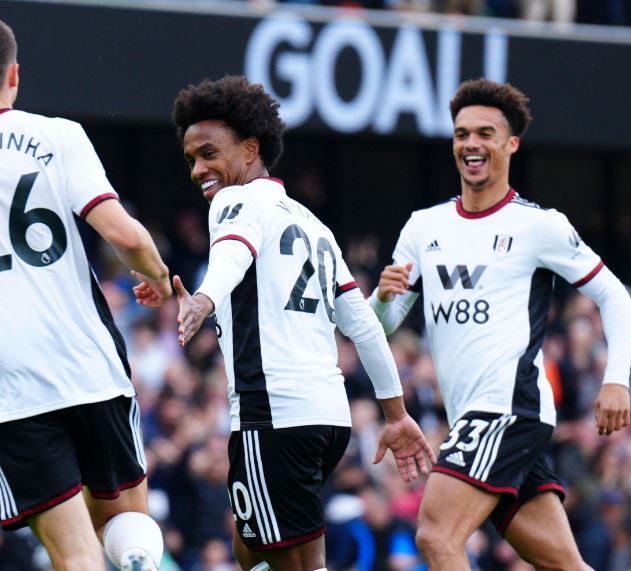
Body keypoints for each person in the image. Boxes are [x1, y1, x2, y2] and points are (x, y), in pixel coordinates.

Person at [0, 14, 170, 571]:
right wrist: (160, 279)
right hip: (87, 363)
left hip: (7, 385)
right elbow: (123, 236)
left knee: (75, 556)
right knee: (127, 529)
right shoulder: (59, 135)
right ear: (14, 74)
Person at [135, 75, 435, 571]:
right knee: (249, 546)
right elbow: (363, 326)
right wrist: (396, 413)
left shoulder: (234, 201)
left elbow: (233, 254)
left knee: (291, 560)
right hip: (327, 420)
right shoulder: (312, 224)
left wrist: (204, 298)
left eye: (209, 153)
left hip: (273, 417)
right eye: (191, 159)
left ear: (250, 148)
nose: (198, 169)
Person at [368, 78, 631, 570]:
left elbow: (614, 295)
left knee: (436, 534)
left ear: (511, 144)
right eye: (462, 134)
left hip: (507, 408)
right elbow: (381, 326)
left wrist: (616, 379)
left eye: (485, 133)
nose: (471, 144)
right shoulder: (423, 227)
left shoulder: (538, 225)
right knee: (563, 564)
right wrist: (383, 298)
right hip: (474, 414)